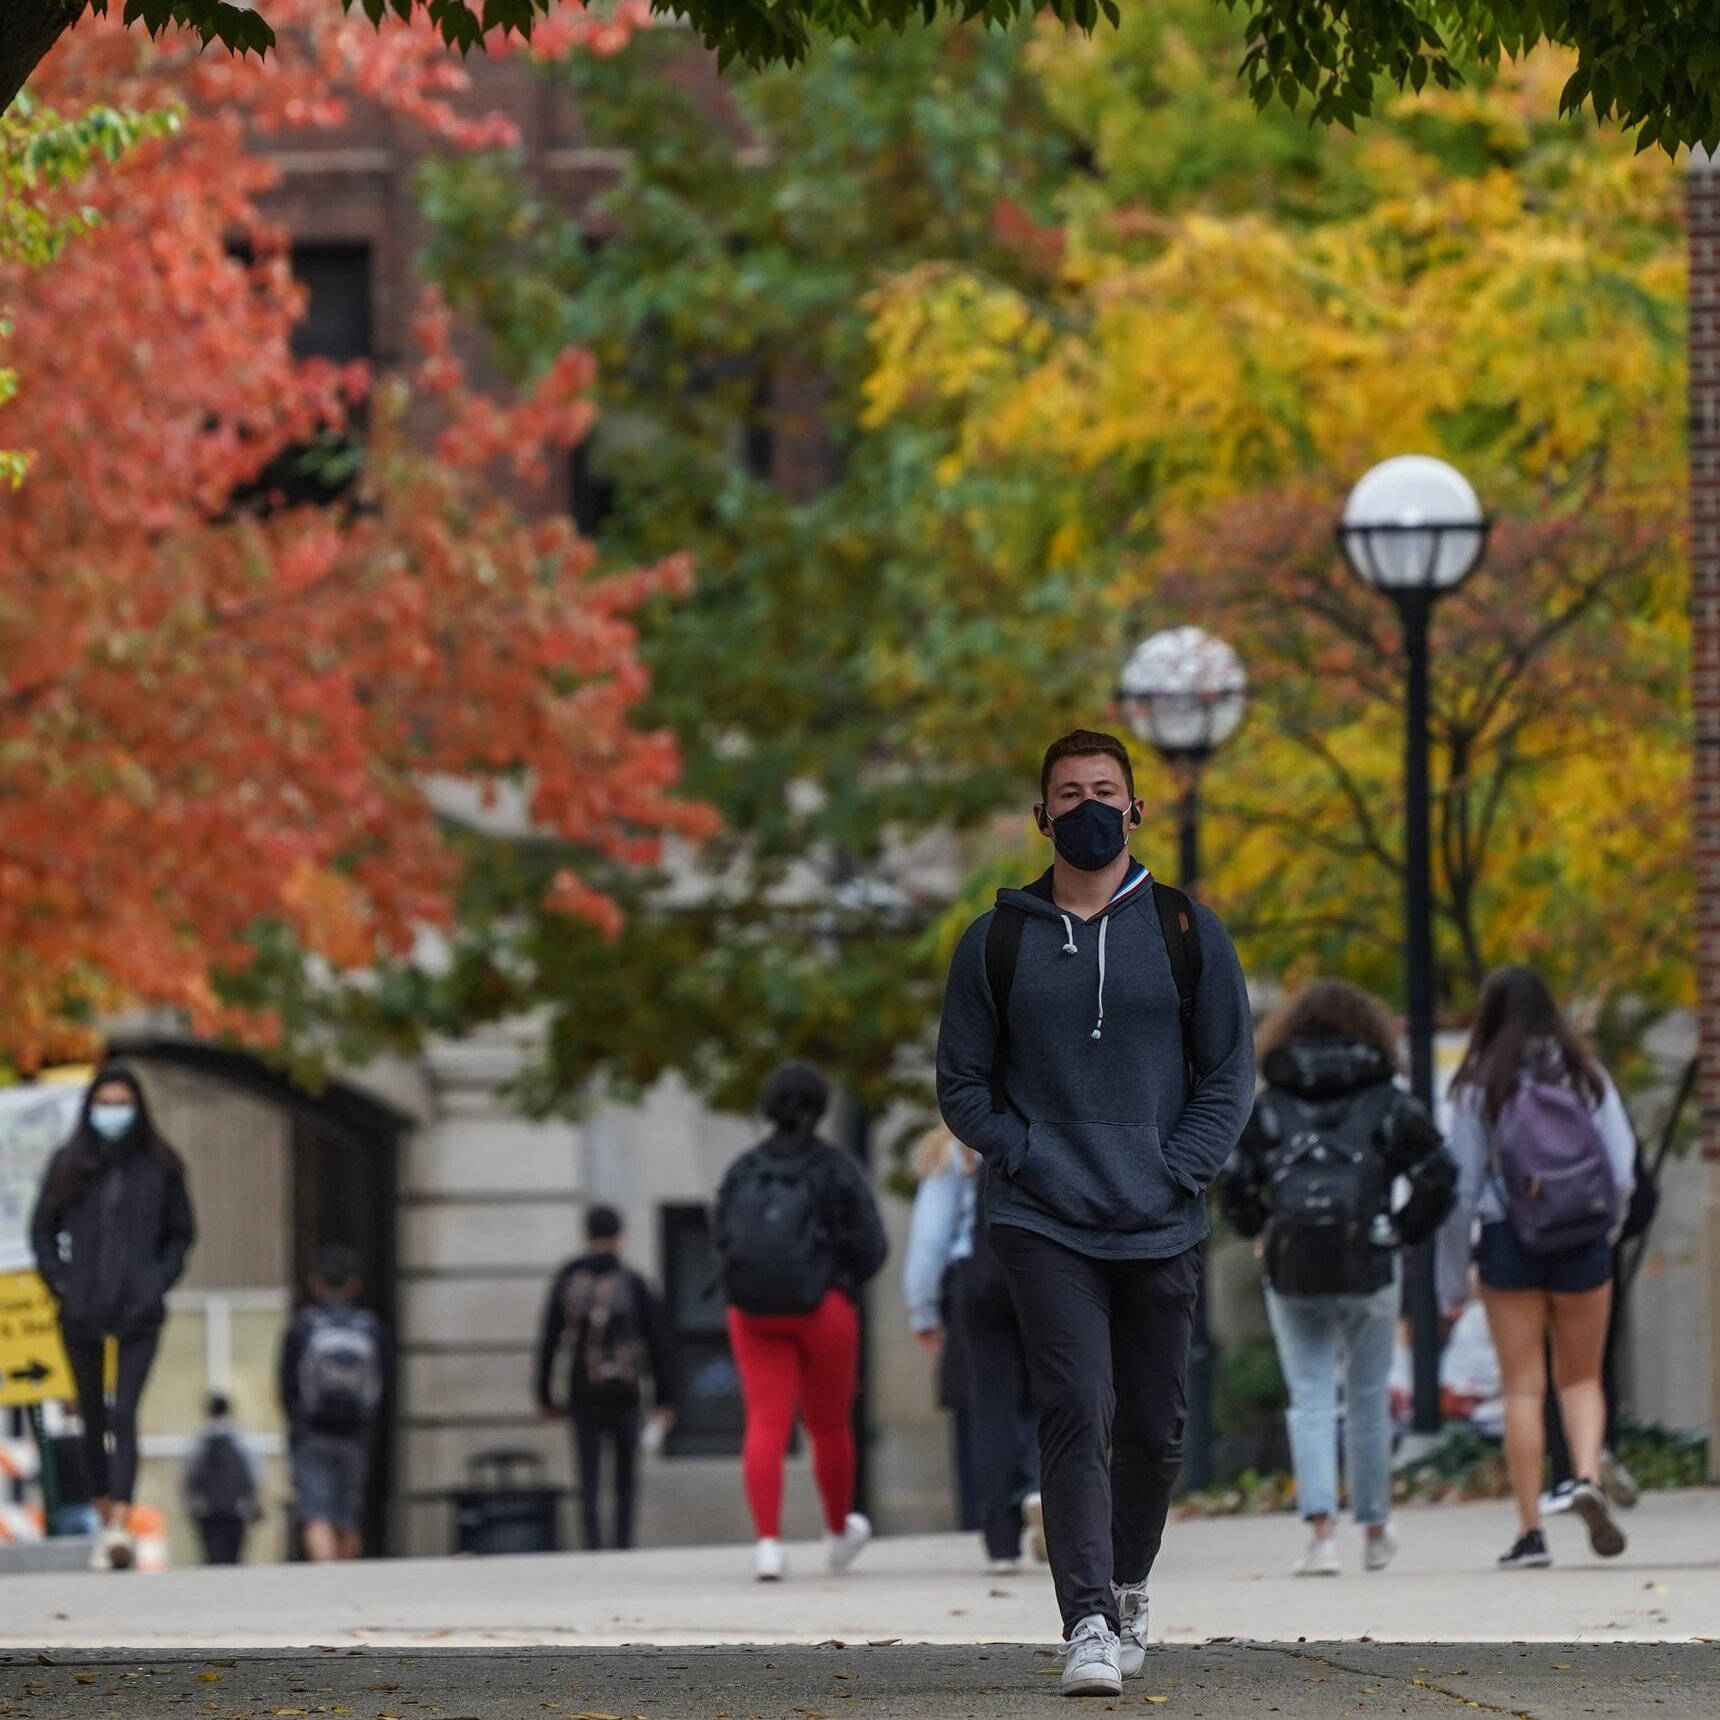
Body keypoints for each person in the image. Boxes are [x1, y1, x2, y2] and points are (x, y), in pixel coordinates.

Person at [936, 729, 1255, 1698]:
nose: (1086, 805)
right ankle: (1085, 1620)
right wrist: (1027, 1154)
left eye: (1104, 789)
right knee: (1077, 1407)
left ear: (1136, 809)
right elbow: (962, 1084)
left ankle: (1126, 1581)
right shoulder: (996, 942)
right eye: (1068, 792)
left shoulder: (1186, 933)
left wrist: (1179, 1166)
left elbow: (1229, 1074)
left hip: (1158, 1214)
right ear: (1040, 815)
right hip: (1043, 1221)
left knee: (1156, 1427)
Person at [1217, 980, 1455, 1576]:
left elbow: (1234, 1176)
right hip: (1369, 1261)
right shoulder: (1387, 1101)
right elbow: (1440, 1173)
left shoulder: (1271, 1104)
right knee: (1369, 1395)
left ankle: (1321, 1537)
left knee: (1311, 1395)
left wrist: (1259, 1227)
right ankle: (1374, 1528)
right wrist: (1400, 1230)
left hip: (1292, 1263)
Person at [1436, 966, 1637, 1570]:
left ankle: (1530, 1535)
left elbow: (1460, 1193)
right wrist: (1606, 1229)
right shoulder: (1587, 1076)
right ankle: (1582, 1477)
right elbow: (1623, 1171)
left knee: (1524, 1386)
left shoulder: (1476, 1086)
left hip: (1508, 1241)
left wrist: (1449, 1280)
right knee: (1581, 1379)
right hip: (1582, 1239)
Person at [713, 1060, 887, 1582]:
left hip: (753, 1310)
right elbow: (871, 1245)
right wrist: (843, 1280)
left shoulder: (744, 1168)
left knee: (765, 1422)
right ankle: (837, 1532)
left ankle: (768, 1543)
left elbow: (720, 1234)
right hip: (825, 1307)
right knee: (830, 1426)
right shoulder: (836, 1167)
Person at [29, 1065, 196, 1572]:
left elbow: (180, 1235)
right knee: (92, 1418)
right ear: (90, 1107)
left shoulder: (161, 1165)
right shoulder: (69, 1162)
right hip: (80, 1310)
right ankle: (104, 1511)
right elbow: (42, 1230)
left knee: (124, 1413)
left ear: (139, 1107)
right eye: (105, 1102)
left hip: (140, 1312)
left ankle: (121, 1520)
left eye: (123, 1102)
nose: (114, 1112)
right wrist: (62, 1282)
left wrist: (155, 1283)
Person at [902, 1122, 1041, 1573]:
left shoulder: (956, 1145)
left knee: (992, 1405)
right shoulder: (1050, 1123)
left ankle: (1002, 1541)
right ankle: (1047, 1496)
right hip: (1045, 1271)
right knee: (1056, 1395)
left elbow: (929, 1239)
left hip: (977, 1277)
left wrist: (922, 1310)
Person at [534, 1204, 676, 1551]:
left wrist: (544, 1395)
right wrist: (664, 1398)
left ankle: (593, 1543)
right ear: (620, 1237)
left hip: (582, 1388)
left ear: (586, 1236)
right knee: (626, 1478)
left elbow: (549, 1340)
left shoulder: (568, 1279)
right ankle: (623, 1543)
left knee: (589, 1477)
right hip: (625, 1391)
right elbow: (658, 1342)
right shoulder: (633, 1280)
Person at [278, 1243, 388, 1562]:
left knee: (316, 1512)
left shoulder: (304, 1326)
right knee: (348, 1516)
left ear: (315, 1283)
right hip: (356, 1433)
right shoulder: (371, 1328)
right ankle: (347, 1576)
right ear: (355, 1284)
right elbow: (384, 1384)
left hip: (312, 1432)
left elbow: (287, 1384)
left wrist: (296, 1423)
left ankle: (327, 1580)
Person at [182, 1392, 263, 1565]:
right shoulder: (241, 1441)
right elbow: (254, 1474)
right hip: (236, 1507)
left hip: (207, 1508)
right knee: (234, 1556)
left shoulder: (200, 1442)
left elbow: (189, 1475)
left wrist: (191, 1503)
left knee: (212, 1555)